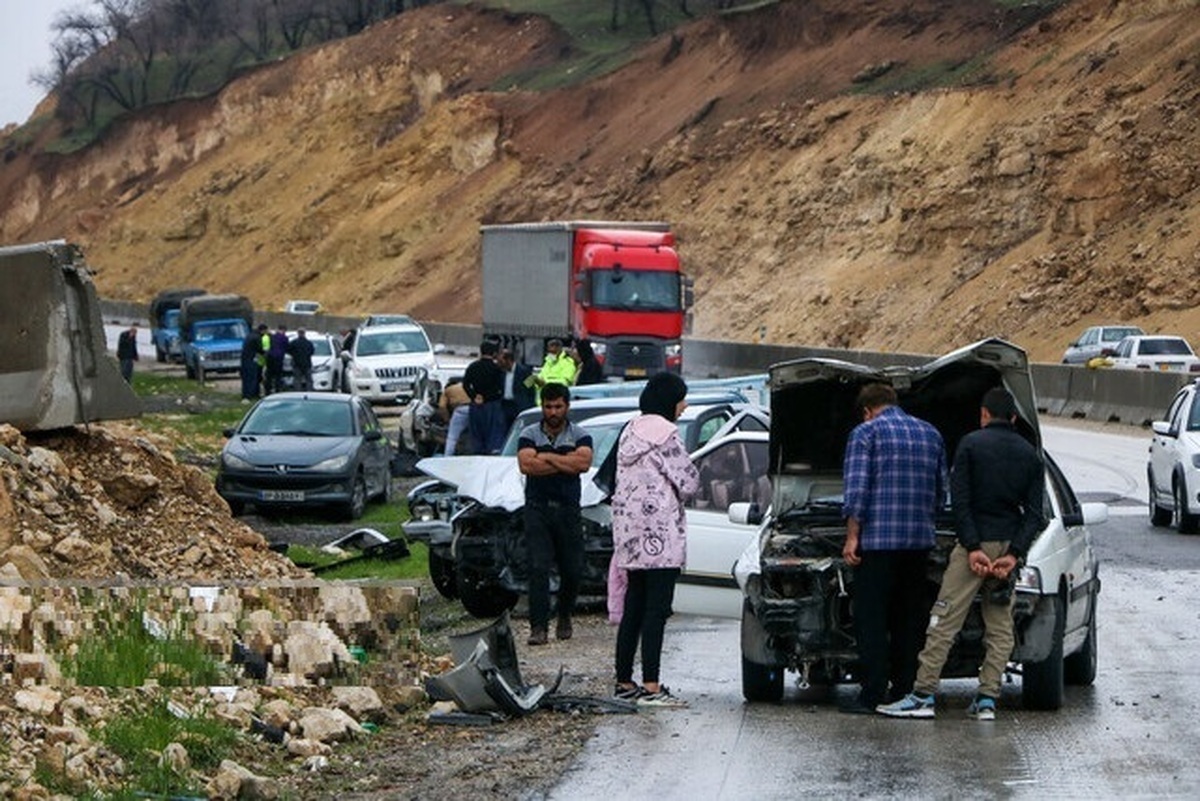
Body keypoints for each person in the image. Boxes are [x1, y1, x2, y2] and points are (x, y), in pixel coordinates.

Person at [878, 387, 1044, 721]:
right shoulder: (1030, 455)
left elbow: (960, 503)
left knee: (944, 620)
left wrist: (971, 548)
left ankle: (923, 694)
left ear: (984, 415)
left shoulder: (970, 444)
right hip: (1004, 553)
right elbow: (1034, 515)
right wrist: (1013, 555)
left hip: (973, 549)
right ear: (1013, 418)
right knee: (999, 627)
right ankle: (986, 700)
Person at [840, 383, 948, 714]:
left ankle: (871, 693)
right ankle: (904, 689)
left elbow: (857, 490)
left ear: (867, 410)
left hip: (877, 544)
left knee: (871, 619)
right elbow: (941, 493)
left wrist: (852, 537)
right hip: (918, 544)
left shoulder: (865, 433)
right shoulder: (930, 433)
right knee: (909, 619)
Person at [611, 372, 700, 707]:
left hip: (631, 535)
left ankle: (623, 681)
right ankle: (651, 686)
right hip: (661, 536)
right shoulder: (668, 436)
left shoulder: (628, 432)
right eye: (681, 398)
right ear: (669, 400)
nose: (684, 404)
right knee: (656, 610)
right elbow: (688, 482)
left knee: (634, 605)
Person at [517, 382, 594, 646]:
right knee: (537, 567)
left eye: (558, 406)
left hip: (568, 510)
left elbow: (582, 463)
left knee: (572, 569)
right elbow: (527, 465)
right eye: (548, 406)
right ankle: (538, 626)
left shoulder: (580, 434)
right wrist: (563, 462)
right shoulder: (528, 433)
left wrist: (546, 457)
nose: (553, 412)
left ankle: (564, 614)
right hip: (537, 509)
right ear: (542, 406)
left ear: (567, 406)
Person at [462, 340, 507, 454]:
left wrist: (475, 396)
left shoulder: (473, 366)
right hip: (492, 405)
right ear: (494, 354)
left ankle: (477, 456)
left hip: (476, 405)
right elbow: (501, 388)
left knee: (476, 436)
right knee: (493, 436)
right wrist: (488, 398)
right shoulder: (497, 369)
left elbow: (465, 384)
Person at [499, 348, 536, 429]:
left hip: (519, 407)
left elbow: (531, 391)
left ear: (508, 360)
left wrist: (529, 408)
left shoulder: (525, 371)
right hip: (505, 406)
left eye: (501, 361)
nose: (499, 364)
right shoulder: (502, 372)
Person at [532, 338, 578, 403]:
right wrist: (530, 381)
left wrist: (545, 383)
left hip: (556, 402)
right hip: (541, 402)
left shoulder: (568, 363)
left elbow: (565, 383)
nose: (551, 354)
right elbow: (540, 377)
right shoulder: (548, 362)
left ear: (559, 349)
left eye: (553, 352)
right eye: (550, 351)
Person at [439, 377, 472, 455]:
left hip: (460, 410)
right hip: (475, 409)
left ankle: (447, 457)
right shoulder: (471, 387)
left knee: (452, 438)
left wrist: (447, 420)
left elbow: (442, 406)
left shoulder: (448, 390)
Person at [240, 324, 266, 400]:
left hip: (245, 359)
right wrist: (265, 353)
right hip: (251, 359)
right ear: (263, 330)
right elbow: (260, 349)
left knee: (246, 378)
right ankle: (251, 395)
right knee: (252, 378)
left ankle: (245, 394)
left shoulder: (250, 335)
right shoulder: (257, 337)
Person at [264, 324, 288, 394]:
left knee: (269, 375)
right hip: (278, 358)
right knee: (278, 376)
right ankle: (277, 390)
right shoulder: (284, 338)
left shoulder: (272, 337)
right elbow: (286, 347)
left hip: (270, 357)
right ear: (284, 330)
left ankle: (267, 391)